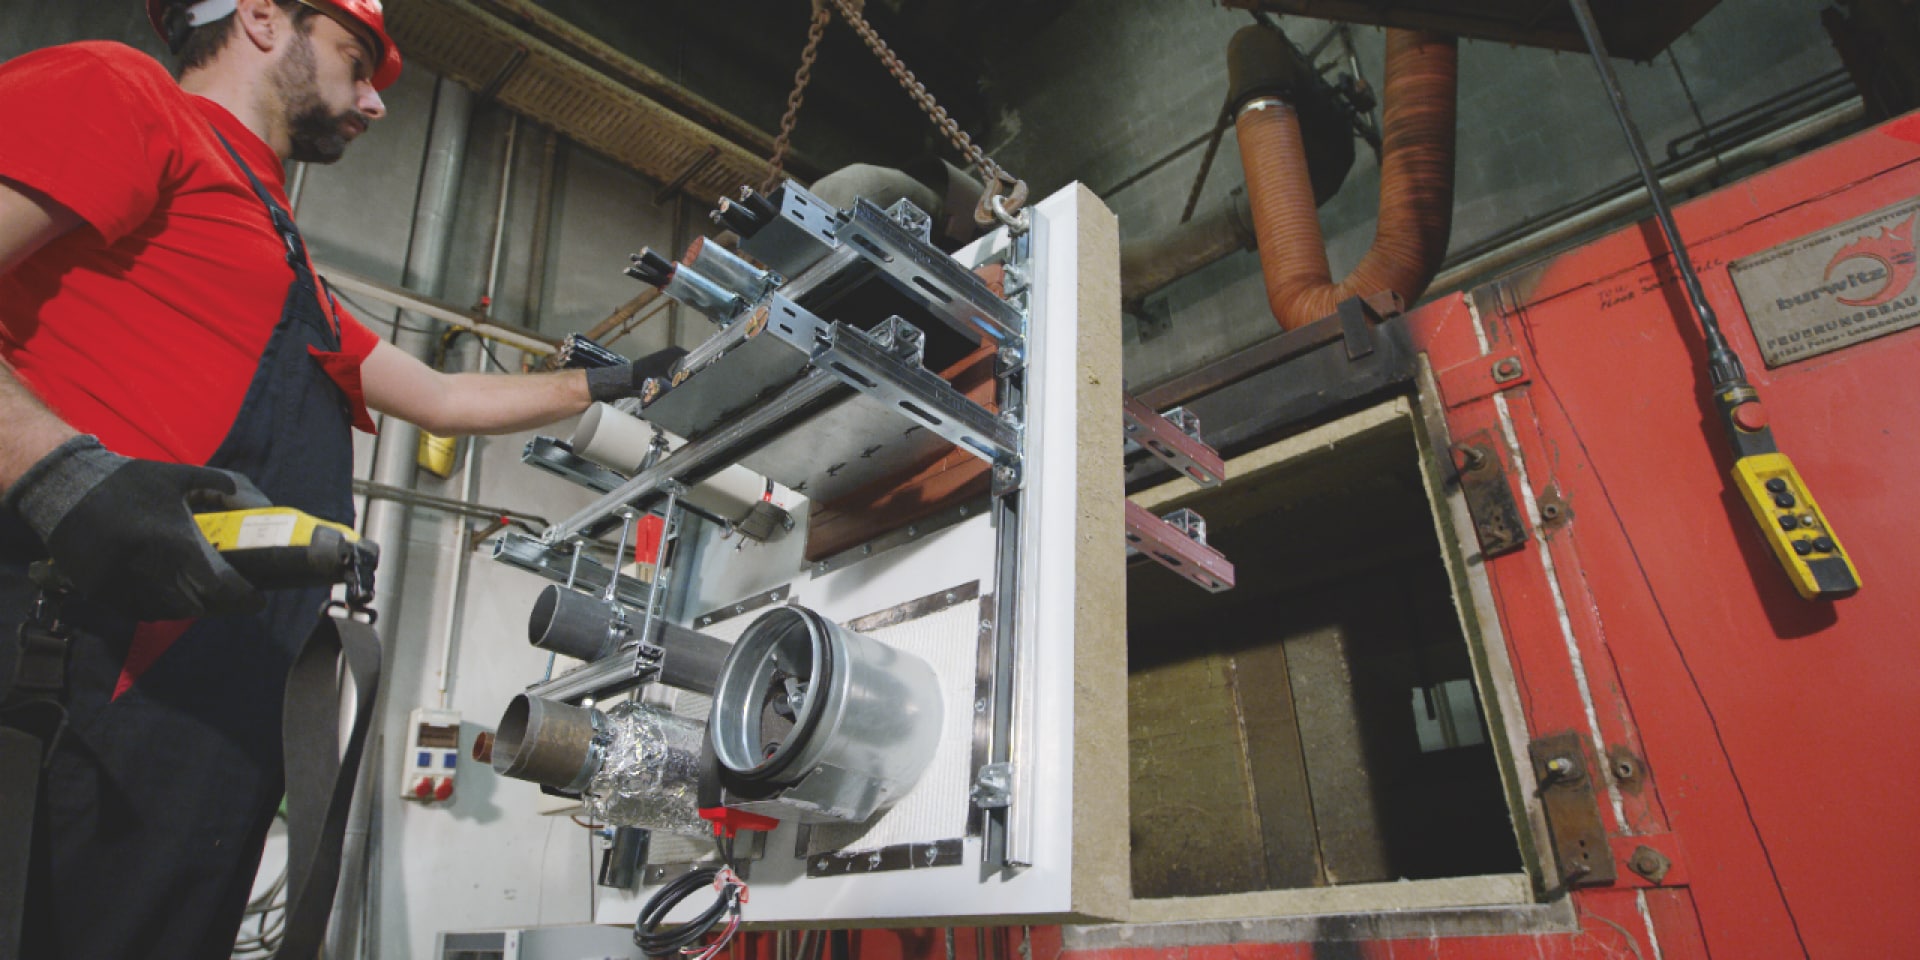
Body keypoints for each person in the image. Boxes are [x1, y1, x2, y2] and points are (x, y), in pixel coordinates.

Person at [0, 1, 678, 954]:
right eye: (357, 61)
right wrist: (59, 477)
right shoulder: (124, 94)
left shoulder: (286, 266)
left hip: (213, 702)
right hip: (77, 666)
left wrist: (614, 383)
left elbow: (441, 397)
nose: (375, 102)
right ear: (262, 17)